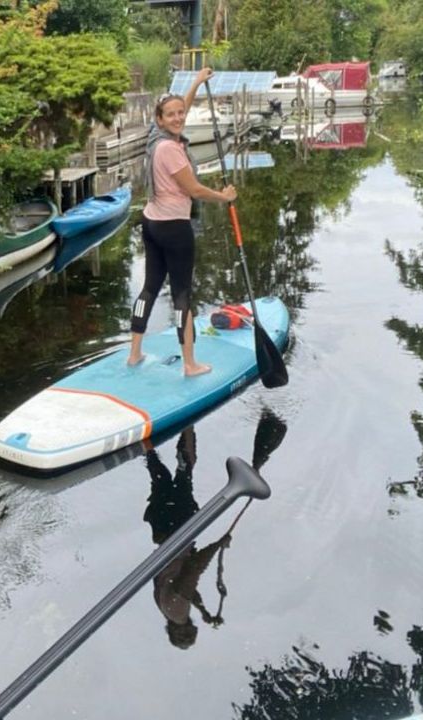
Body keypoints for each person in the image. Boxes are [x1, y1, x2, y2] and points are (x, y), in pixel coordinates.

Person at [128, 65, 238, 377]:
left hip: (150, 223)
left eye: (180, 113)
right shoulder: (171, 151)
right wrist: (224, 196)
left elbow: (180, 108)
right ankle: (190, 363)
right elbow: (193, 189)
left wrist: (195, 83)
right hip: (174, 229)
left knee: (149, 288)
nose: (178, 117)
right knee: (182, 295)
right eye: (171, 115)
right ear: (159, 120)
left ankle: (134, 352)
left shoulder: (155, 137)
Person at [141, 426, 233, 649]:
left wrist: (218, 544)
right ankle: (144, 439)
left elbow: (194, 570)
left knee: (185, 473)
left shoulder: (178, 611)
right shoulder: (166, 610)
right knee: (159, 475)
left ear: (183, 630)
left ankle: (188, 425)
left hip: (178, 531)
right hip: (162, 531)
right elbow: (186, 589)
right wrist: (202, 610)